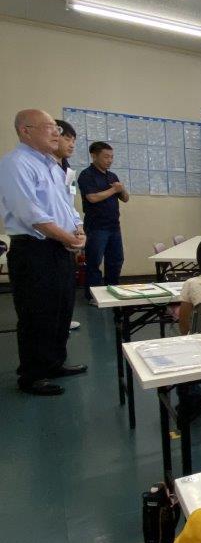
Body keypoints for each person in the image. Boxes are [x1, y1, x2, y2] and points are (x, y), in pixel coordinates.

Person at [0, 109, 87, 395]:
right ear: (26, 131)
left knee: (61, 309)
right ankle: (32, 375)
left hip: (59, 248)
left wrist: (78, 230)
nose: (56, 133)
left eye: (57, 129)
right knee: (37, 313)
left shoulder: (51, 165)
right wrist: (68, 238)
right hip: (34, 250)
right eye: (50, 128)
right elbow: (30, 214)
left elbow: (66, 207)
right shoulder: (16, 164)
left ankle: (54, 364)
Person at [77, 141, 128, 300]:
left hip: (114, 226)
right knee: (94, 263)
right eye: (106, 156)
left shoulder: (112, 176)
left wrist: (122, 188)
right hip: (96, 227)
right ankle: (93, 296)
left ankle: (112, 292)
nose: (110, 160)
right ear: (94, 156)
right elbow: (92, 198)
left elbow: (125, 198)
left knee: (116, 260)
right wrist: (114, 189)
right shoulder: (87, 175)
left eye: (112, 157)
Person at [53, 120, 81, 331]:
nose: (71, 144)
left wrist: (79, 228)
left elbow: (69, 204)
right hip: (48, 239)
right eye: (67, 138)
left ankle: (63, 322)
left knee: (65, 289)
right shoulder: (42, 166)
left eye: (73, 140)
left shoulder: (68, 170)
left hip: (68, 239)